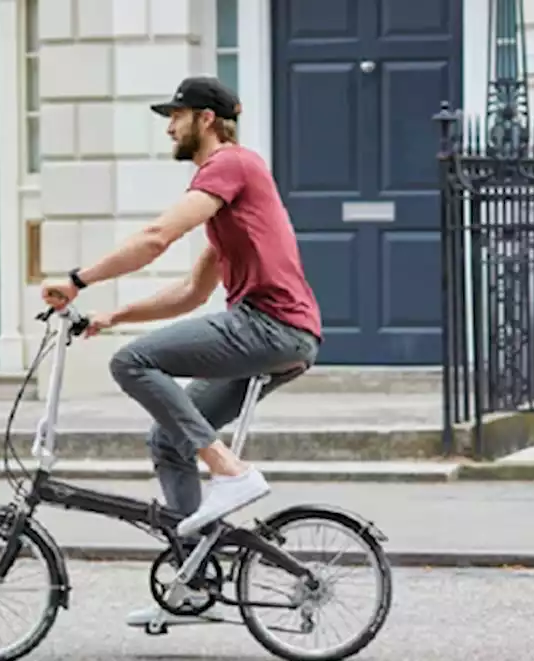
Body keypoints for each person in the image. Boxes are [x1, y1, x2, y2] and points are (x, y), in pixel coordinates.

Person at [39, 76, 323, 627]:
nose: (169, 124)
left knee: (132, 362)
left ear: (207, 120)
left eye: (177, 114)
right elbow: (191, 293)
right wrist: (113, 315)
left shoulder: (230, 167)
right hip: (282, 334)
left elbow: (156, 237)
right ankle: (195, 583)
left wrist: (79, 279)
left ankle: (230, 472)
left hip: (270, 326)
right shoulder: (227, 203)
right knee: (167, 440)